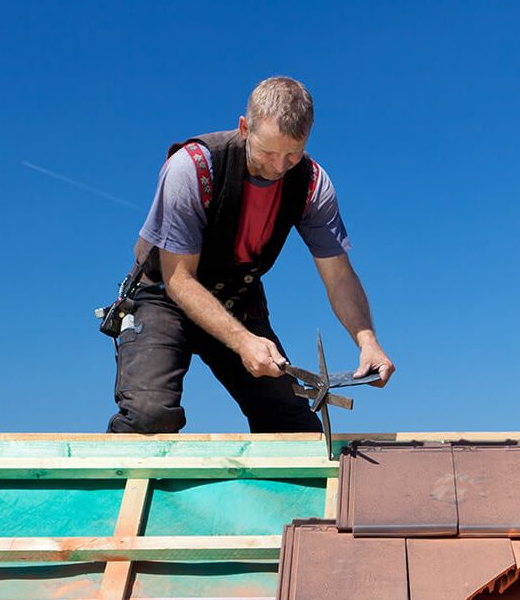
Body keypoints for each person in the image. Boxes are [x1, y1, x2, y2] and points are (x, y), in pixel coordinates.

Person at [107, 76, 394, 433]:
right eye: (268, 152)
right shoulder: (192, 168)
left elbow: (338, 275)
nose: (279, 167)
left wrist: (367, 342)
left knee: (295, 430)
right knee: (150, 417)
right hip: (165, 297)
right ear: (245, 128)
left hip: (238, 299)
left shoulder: (312, 184)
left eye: (293, 153)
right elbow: (179, 279)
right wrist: (243, 341)